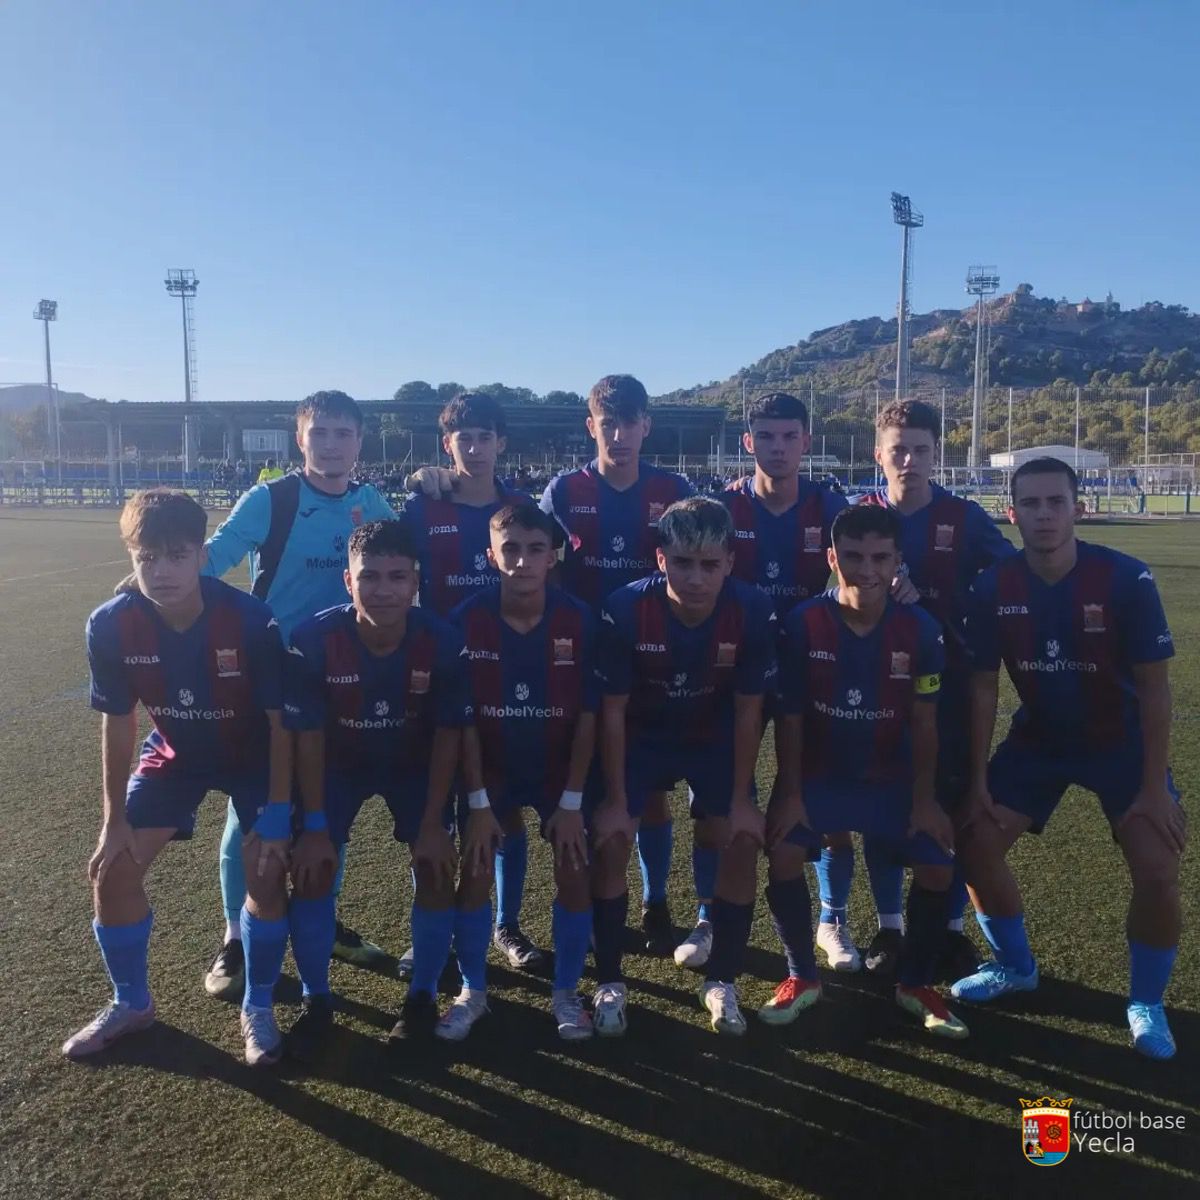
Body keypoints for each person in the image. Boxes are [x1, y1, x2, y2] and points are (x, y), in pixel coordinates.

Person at [953, 458, 1183, 1060]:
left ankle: (1147, 1003)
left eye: (1056, 502)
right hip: (1041, 740)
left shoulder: (1125, 579)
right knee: (974, 843)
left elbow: (1156, 691)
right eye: (1031, 504)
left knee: (1158, 869)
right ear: (1012, 513)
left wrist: (1155, 786)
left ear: (1077, 507)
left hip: (1122, 745)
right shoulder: (993, 585)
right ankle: (1015, 966)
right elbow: (983, 688)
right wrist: (977, 780)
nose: (1045, 514)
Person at [63, 490, 293, 1065]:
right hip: (177, 751)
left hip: (254, 756)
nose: (161, 571)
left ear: (201, 554)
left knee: (266, 874)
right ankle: (132, 1004)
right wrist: (113, 821)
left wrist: (281, 812)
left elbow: (281, 724)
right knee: (112, 873)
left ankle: (258, 1006)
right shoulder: (111, 626)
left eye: (176, 555)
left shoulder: (250, 619)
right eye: (147, 558)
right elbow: (119, 725)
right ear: (130, 557)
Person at [200, 391, 396, 998]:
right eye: (321, 434)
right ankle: (237, 937)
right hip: (269, 679)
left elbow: (403, 570)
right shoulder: (272, 498)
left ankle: (321, 918)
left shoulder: (372, 504)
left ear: (359, 442)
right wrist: (158, 575)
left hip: (340, 681)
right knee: (250, 814)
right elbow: (217, 558)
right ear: (300, 439)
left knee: (323, 812)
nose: (331, 445)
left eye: (343, 434)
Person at [760, 504, 967, 1039]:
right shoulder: (803, 622)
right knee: (783, 850)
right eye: (852, 556)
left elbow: (925, 725)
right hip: (823, 777)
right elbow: (791, 718)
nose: (866, 568)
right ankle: (802, 977)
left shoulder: (919, 630)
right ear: (831, 557)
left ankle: (915, 983)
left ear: (898, 561)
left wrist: (924, 800)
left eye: (880, 557)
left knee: (940, 863)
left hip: (889, 781)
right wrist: (790, 793)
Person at [669, 391, 847, 971]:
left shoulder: (830, 502)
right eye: (765, 436)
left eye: (788, 436)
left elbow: (877, 549)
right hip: (730, 669)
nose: (777, 447)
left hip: (811, 668)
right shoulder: (719, 507)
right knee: (715, 807)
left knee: (826, 802)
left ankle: (832, 918)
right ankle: (706, 916)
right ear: (748, 443)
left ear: (806, 442)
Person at [282, 520, 469, 1054]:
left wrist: (433, 824)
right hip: (338, 766)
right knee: (313, 870)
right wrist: (315, 827)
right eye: (370, 577)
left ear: (416, 583)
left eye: (396, 577)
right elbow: (309, 739)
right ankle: (318, 1001)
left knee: (435, 864)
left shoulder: (442, 640)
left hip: (412, 764)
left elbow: (447, 736)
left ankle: (421, 997)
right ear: (347, 580)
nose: (383, 590)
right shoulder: (313, 639)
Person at [593, 497, 776, 1036]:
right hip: (643, 736)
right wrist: (615, 801)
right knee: (610, 838)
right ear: (660, 561)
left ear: (730, 564)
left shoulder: (753, 608)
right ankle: (609, 979)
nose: (696, 578)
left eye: (709, 565)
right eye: (683, 563)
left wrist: (742, 799)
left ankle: (722, 981)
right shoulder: (625, 608)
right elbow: (613, 712)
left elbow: (748, 712)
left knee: (740, 837)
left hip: (710, 735)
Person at [850, 399, 1015, 979]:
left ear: (935, 454)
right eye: (898, 449)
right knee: (879, 808)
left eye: (921, 449)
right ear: (878, 454)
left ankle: (949, 931)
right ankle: (890, 928)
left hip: (949, 689)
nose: (909, 460)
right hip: (875, 690)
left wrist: (943, 605)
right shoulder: (858, 516)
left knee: (948, 807)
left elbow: (1009, 581)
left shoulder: (965, 518)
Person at [541, 374, 693, 955]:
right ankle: (531, 915)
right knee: (580, 782)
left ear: (646, 427)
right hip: (582, 658)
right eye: (609, 424)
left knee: (649, 789)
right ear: (592, 427)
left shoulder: (671, 486)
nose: (620, 434)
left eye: (630, 423)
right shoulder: (565, 489)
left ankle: (655, 902)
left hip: (655, 656)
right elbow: (532, 548)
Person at [450, 502, 599, 1040]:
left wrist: (573, 803)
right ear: (490, 555)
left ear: (552, 554)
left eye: (535, 549)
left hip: (558, 770)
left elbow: (588, 716)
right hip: (490, 768)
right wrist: (479, 803)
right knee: (472, 866)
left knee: (575, 866)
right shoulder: (466, 619)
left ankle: (565, 993)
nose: (522, 560)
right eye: (509, 549)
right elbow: (461, 718)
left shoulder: (580, 620)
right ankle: (473, 991)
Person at [403, 394, 540, 971]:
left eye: (486, 437)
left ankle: (505, 927)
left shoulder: (522, 507)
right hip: (440, 679)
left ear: (501, 443)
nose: (476, 448)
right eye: (465, 438)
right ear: (448, 444)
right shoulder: (422, 506)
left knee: (501, 810)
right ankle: (434, 927)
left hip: (507, 679)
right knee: (436, 812)